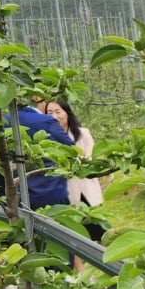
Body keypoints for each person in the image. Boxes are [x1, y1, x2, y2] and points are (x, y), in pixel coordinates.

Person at [45, 99, 105, 248]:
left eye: (58, 111)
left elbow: (89, 159)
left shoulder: (83, 134)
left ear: (67, 112)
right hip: (64, 191)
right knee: (74, 234)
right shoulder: (46, 137)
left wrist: (69, 164)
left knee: (99, 230)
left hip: (85, 188)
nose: (54, 116)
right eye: (49, 113)